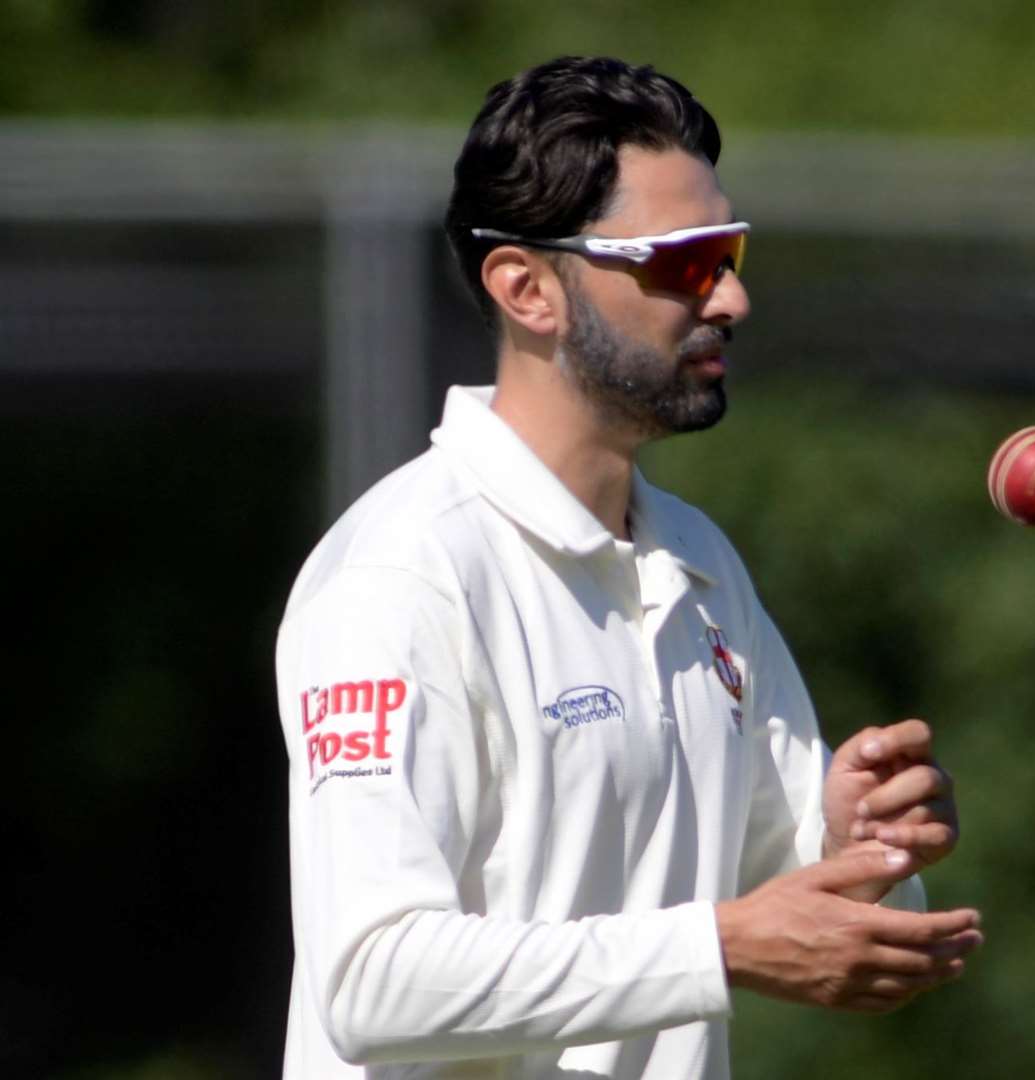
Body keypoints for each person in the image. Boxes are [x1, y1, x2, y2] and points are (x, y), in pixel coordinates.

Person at [274, 55, 981, 1079]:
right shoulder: (402, 574)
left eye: (728, 251)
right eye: (683, 262)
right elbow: (373, 981)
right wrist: (717, 947)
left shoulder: (697, 561)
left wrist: (865, 846)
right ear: (527, 288)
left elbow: (807, 913)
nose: (731, 297)